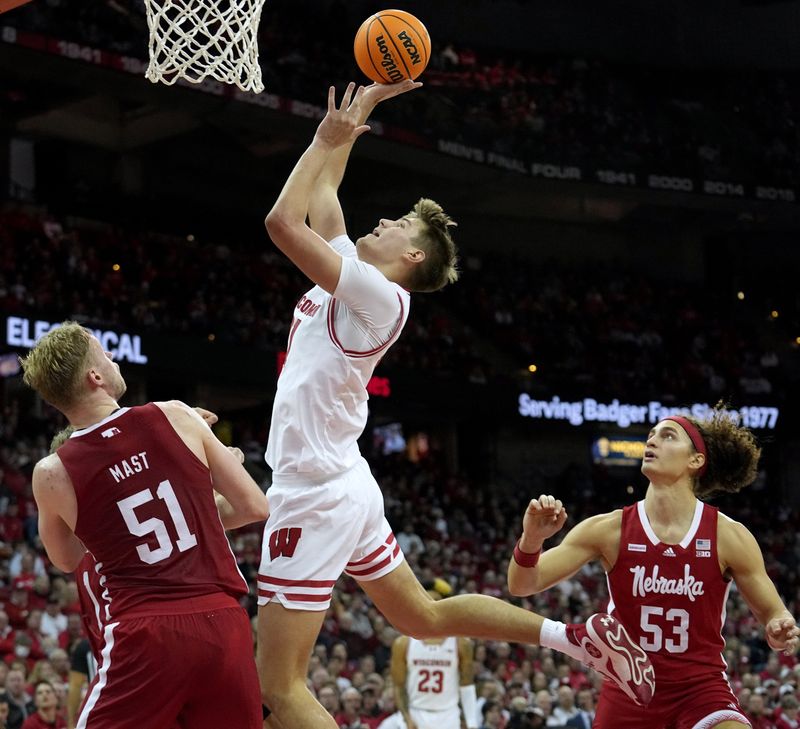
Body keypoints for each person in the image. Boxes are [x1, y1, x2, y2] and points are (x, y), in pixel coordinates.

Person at [256, 80, 655, 729]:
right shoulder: (354, 267)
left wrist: (319, 142)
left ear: (412, 255)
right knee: (423, 617)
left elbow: (281, 222)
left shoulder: (382, 299)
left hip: (315, 491)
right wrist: (352, 126)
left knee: (278, 687)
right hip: (342, 480)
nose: (379, 222)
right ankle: (574, 637)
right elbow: (325, 196)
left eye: (398, 225)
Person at [20, 323, 269, 729]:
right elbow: (256, 506)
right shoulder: (177, 415)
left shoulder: (52, 472)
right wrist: (191, 494)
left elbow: (66, 559)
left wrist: (115, 519)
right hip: (224, 622)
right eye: (106, 355)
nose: (114, 360)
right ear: (95, 377)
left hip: (147, 634)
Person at [508, 409, 800, 729]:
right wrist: (531, 540)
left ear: (695, 461)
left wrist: (779, 627)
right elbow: (523, 584)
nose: (653, 440)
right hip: (628, 692)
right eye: (651, 434)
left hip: (699, 690)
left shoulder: (728, 535)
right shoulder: (609, 530)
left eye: (668, 435)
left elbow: (774, 614)